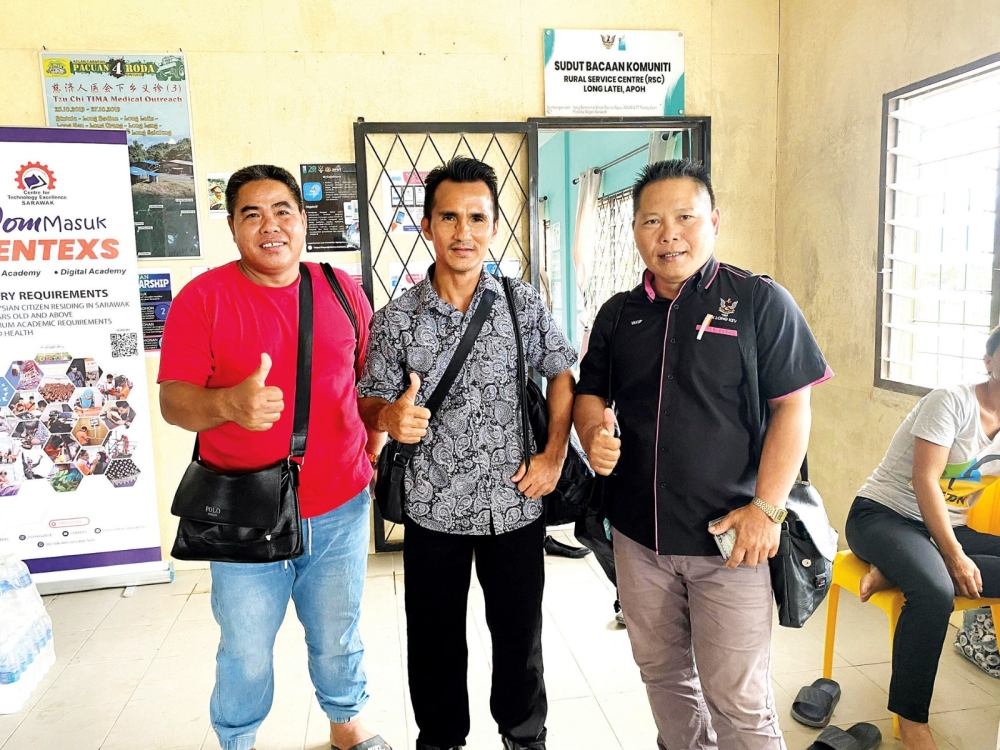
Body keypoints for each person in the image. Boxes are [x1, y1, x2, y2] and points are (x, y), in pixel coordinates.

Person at [574, 159, 831, 750]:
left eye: (685, 217)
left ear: (713, 221)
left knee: (737, 696)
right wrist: (592, 433)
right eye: (652, 221)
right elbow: (591, 392)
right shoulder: (620, 314)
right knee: (662, 674)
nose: (669, 235)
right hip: (640, 539)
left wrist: (766, 509)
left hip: (730, 541)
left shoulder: (760, 301)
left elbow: (794, 408)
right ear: (635, 230)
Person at [158, 164, 391, 750]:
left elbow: (364, 385)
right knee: (244, 644)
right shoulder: (202, 299)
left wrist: (377, 438)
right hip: (242, 505)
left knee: (338, 632)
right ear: (233, 227)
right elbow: (173, 402)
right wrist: (228, 405)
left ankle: (347, 725)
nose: (270, 226)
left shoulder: (341, 289)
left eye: (282, 210)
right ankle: (237, 739)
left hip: (339, 502)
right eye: (252, 214)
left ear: (303, 220)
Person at [358, 157, 577, 750]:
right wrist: (387, 417)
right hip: (433, 509)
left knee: (518, 635)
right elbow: (368, 400)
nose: (463, 232)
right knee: (432, 638)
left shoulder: (518, 302)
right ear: (427, 225)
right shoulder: (396, 319)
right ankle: (441, 738)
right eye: (449, 217)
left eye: (476, 218)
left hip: (515, 501)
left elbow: (562, 375)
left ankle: (523, 735)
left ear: (494, 225)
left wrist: (555, 455)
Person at [846, 327, 1000, 750]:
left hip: (945, 528)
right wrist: (952, 557)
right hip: (884, 516)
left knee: (930, 574)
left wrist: (948, 550)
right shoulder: (950, 401)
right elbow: (924, 480)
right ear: (988, 360)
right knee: (934, 592)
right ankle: (912, 722)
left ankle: (901, 569)